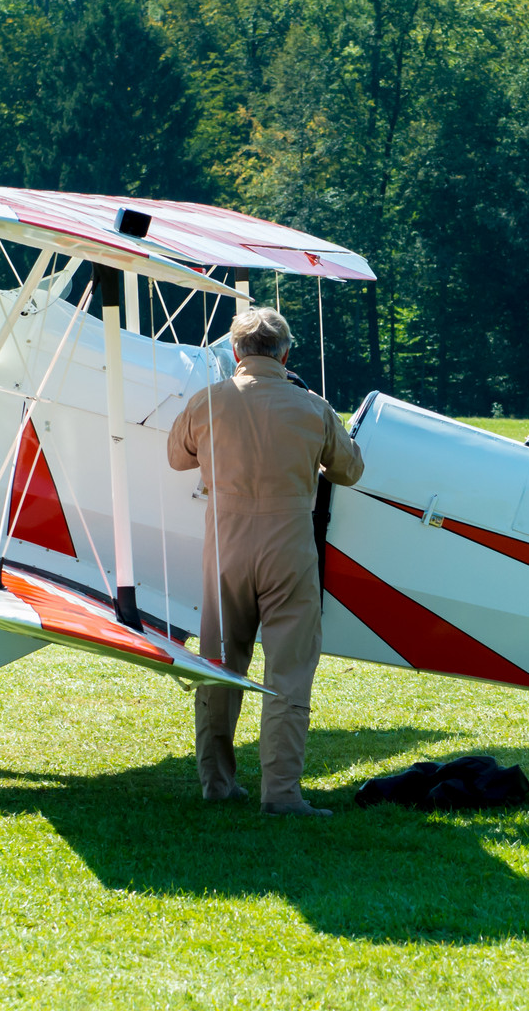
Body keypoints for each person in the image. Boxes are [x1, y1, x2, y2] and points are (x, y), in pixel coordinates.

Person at [168, 307, 366, 816]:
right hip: (289, 551)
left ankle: (216, 782)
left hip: (226, 551)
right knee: (290, 672)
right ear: (285, 354)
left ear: (235, 352)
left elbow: (177, 456)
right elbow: (349, 470)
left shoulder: (208, 402)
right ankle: (280, 793)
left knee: (220, 667)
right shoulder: (312, 407)